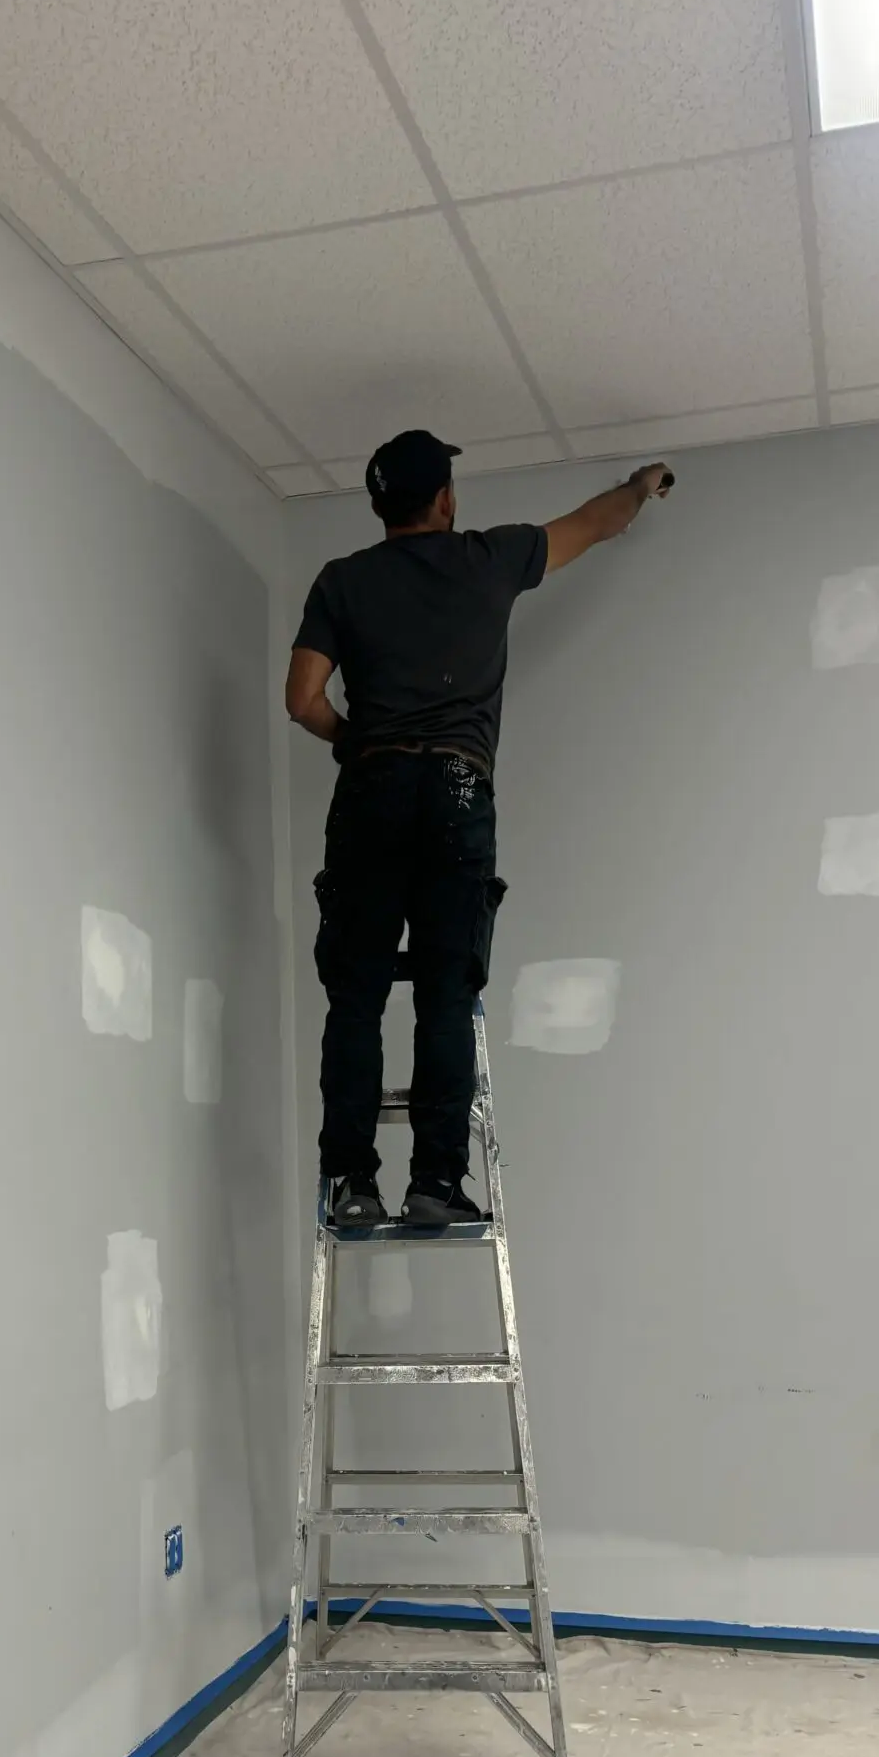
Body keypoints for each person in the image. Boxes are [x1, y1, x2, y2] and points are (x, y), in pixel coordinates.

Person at [285, 428, 674, 1230]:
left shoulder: (342, 581)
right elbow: (594, 522)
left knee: (355, 1000)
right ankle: (435, 1182)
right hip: (458, 789)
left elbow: (303, 699)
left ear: (378, 506)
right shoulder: (489, 558)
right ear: (444, 499)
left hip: (372, 790)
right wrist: (640, 486)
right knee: (444, 992)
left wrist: (356, 741)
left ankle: (353, 1182)